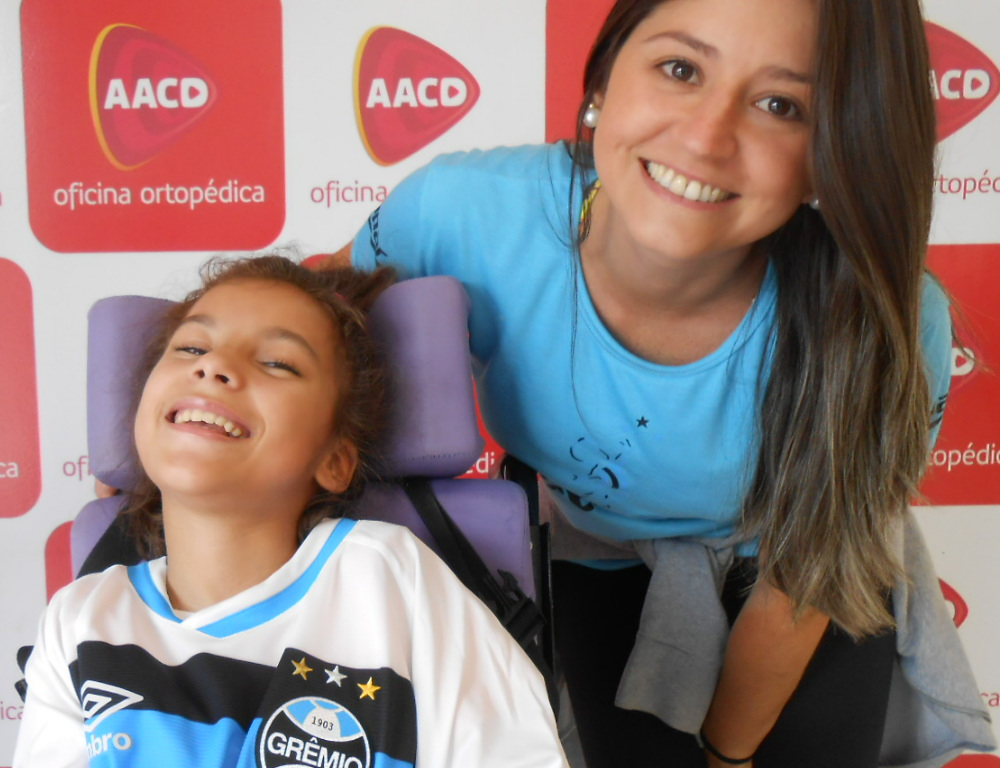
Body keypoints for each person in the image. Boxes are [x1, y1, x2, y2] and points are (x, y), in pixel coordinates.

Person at [327, 0, 996, 766]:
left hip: (803, 577)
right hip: (600, 549)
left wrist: (725, 753)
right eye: (680, 69)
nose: (706, 139)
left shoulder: (890, 318)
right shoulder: (461, 213)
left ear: (835, 149)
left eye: (781, 105)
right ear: (606, 75)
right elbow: (298, 336)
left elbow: (800, 586)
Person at [13, 255, 569, 768]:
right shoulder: (81, 620)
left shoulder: (393, 581)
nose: (214, 367)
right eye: (189, 348)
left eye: (278, 363)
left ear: (334, 460)